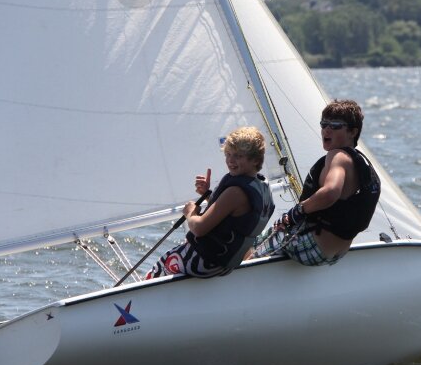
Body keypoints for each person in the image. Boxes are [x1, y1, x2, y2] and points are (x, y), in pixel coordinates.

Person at [250, 99, 380, 266]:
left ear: (353, 132)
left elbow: (331, 192)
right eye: (323, 124)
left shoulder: (338, 157)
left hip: (311, 247)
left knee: (250, 245)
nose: (326, 129)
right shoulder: (360, 162)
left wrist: (297, 211)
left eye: (335, 125)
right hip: (336, 254)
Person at [146, 126, 274, 279]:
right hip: (225, 265)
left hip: (204, 262)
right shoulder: (260, 186)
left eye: (238, 156)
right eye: (228, 154)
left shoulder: (235, 192)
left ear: (256, 160)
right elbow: (233, 215)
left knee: (160, 266)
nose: (231, 161)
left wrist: (190, 212)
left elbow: (199, 228)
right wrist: (208, 195)